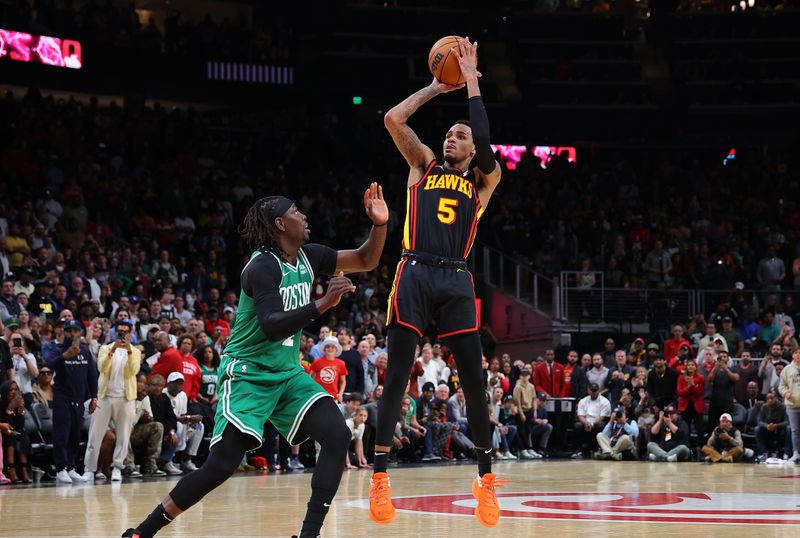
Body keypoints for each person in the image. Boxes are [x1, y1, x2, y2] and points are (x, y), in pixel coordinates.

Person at [123, 186, 388, 538]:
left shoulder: (310, 256)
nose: (304, 215)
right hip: (248, 372)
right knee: (220, 466)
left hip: (287, 373)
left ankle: (308, 534)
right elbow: (272, 325)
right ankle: (144, 531)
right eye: (296, 211)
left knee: (337, 435)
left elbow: (366, 259)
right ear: (280, 224)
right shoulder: (261, 267)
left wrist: (380, 225)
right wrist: (323, 304)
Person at [371, 37, 504, 528]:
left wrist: (470, 81)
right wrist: (433, 87)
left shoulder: (483, 181)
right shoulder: (422, 166)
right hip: (414, 271)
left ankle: (485, 482)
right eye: (449, 133)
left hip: (455, 279)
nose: (452, 138)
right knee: (396, 378)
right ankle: (381, 480)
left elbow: (487, 143)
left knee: (474, 384)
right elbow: (392, 120)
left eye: (460, 136)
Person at [83, 319, 141, 482]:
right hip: (105, 397)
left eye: (126, 331)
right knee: (95, 434)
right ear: (115, 333)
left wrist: (128, 350)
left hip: (126, 398)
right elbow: (102, 367)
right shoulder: (105, 348)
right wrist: (114, 349)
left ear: (131, 333)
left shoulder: (135, 352)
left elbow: (133, 371)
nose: (122, 334)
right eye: (119, 331)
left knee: (123, 435)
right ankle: (89, 468)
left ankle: (117, 467)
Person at [46, 319, 98, 484]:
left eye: (76, 331)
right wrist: (64, 357)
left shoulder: (85, 351)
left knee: (75, 434)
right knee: (62, 434)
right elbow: (48, 365)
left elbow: (92, 376)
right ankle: (61, 469)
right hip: (62, 397)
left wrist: (94, 397)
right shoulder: (58, 349)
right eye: (69, 331)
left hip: (79, 398)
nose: (73, 334)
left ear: (80, 333)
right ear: (64, 332)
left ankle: (70, 467)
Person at [779, 348, 800, 464]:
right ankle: (796, 453)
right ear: (792, 355)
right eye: (796, 353)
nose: (798, 355)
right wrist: (785, 393)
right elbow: (781, 386)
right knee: (795, 430)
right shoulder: (787, 369)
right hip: (792, 405)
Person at [755, 390, 788, 462]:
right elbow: (759, 421)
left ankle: (787, 453)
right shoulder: (764, 407)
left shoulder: (783, 407)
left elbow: (787, 422)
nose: (769, 400)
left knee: (788, 429)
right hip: (768, 430)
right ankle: (762, 454)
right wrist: (767, 426)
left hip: (780, 430)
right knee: (757, 429)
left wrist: (777, 425)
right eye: (768, 399)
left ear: (776, 398)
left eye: (771, 398)